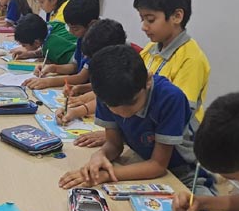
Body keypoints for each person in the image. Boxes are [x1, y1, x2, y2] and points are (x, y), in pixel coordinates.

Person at [58, 44, 211, 194]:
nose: (124, 113)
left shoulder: (170, 98)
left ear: (148, 81)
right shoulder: (108, 93)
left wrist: (106, 175)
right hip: (142, 162)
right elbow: (114, 144)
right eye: (114, 107)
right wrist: (100, 155)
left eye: (132, 102)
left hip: (184, 175)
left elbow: (158, 165)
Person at [135, 0, 210, 122]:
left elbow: (178, 112)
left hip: (179, 133)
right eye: (142, 19)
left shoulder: (191, 59)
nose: (144, 27)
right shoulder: (149, 50)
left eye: (150, 19)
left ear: (177, 16)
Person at [52, 18, 126, 126]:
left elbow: (114, 94)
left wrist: (81, 107)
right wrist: (81, 89)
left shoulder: (126, 68)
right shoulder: (110, 56)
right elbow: (106, 87)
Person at [23, 0, 100, 90]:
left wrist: (48, 82)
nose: (71, 32)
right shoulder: (82, 38)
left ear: (92, 24)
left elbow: (81, 77)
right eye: (69, 27)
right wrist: (53, 68)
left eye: (75, 28)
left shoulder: (97, 43)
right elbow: (75, 66)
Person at [10, 12, 76, 65]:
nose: (23, 47)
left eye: (24, 45)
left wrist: (51, 62)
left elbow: (74, 64)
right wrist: (32, 54)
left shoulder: (51, 45)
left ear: (36, 42)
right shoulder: (48, 29)